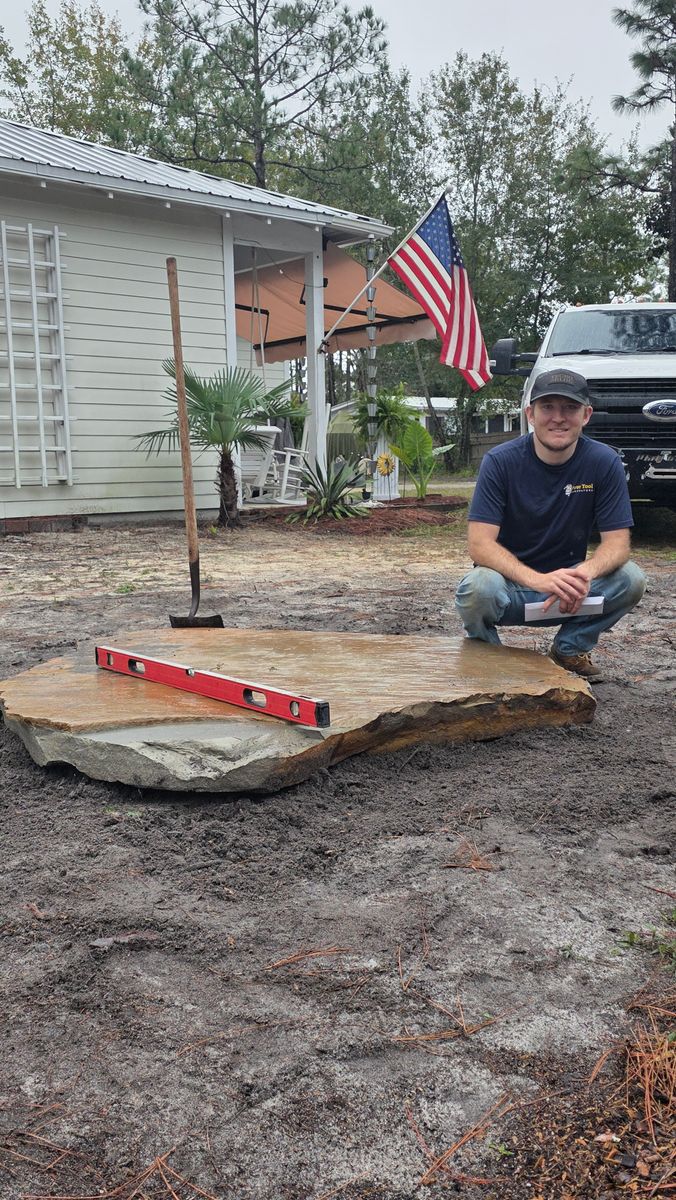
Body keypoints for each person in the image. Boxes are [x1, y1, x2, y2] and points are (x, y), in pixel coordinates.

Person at [454, 368, 646, 679]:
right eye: (548, 407)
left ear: (586, 415)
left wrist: (584, 573)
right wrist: (538, 581)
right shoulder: (500, 462)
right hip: (512, 592)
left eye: (570, 408)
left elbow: (617, 544)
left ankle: (568, 650)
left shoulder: (604, 461)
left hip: (571, 594)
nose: (558, 417)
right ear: (530, 414)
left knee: (631, 578)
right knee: (478, 587)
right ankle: (488, 659)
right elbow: (479, 544)